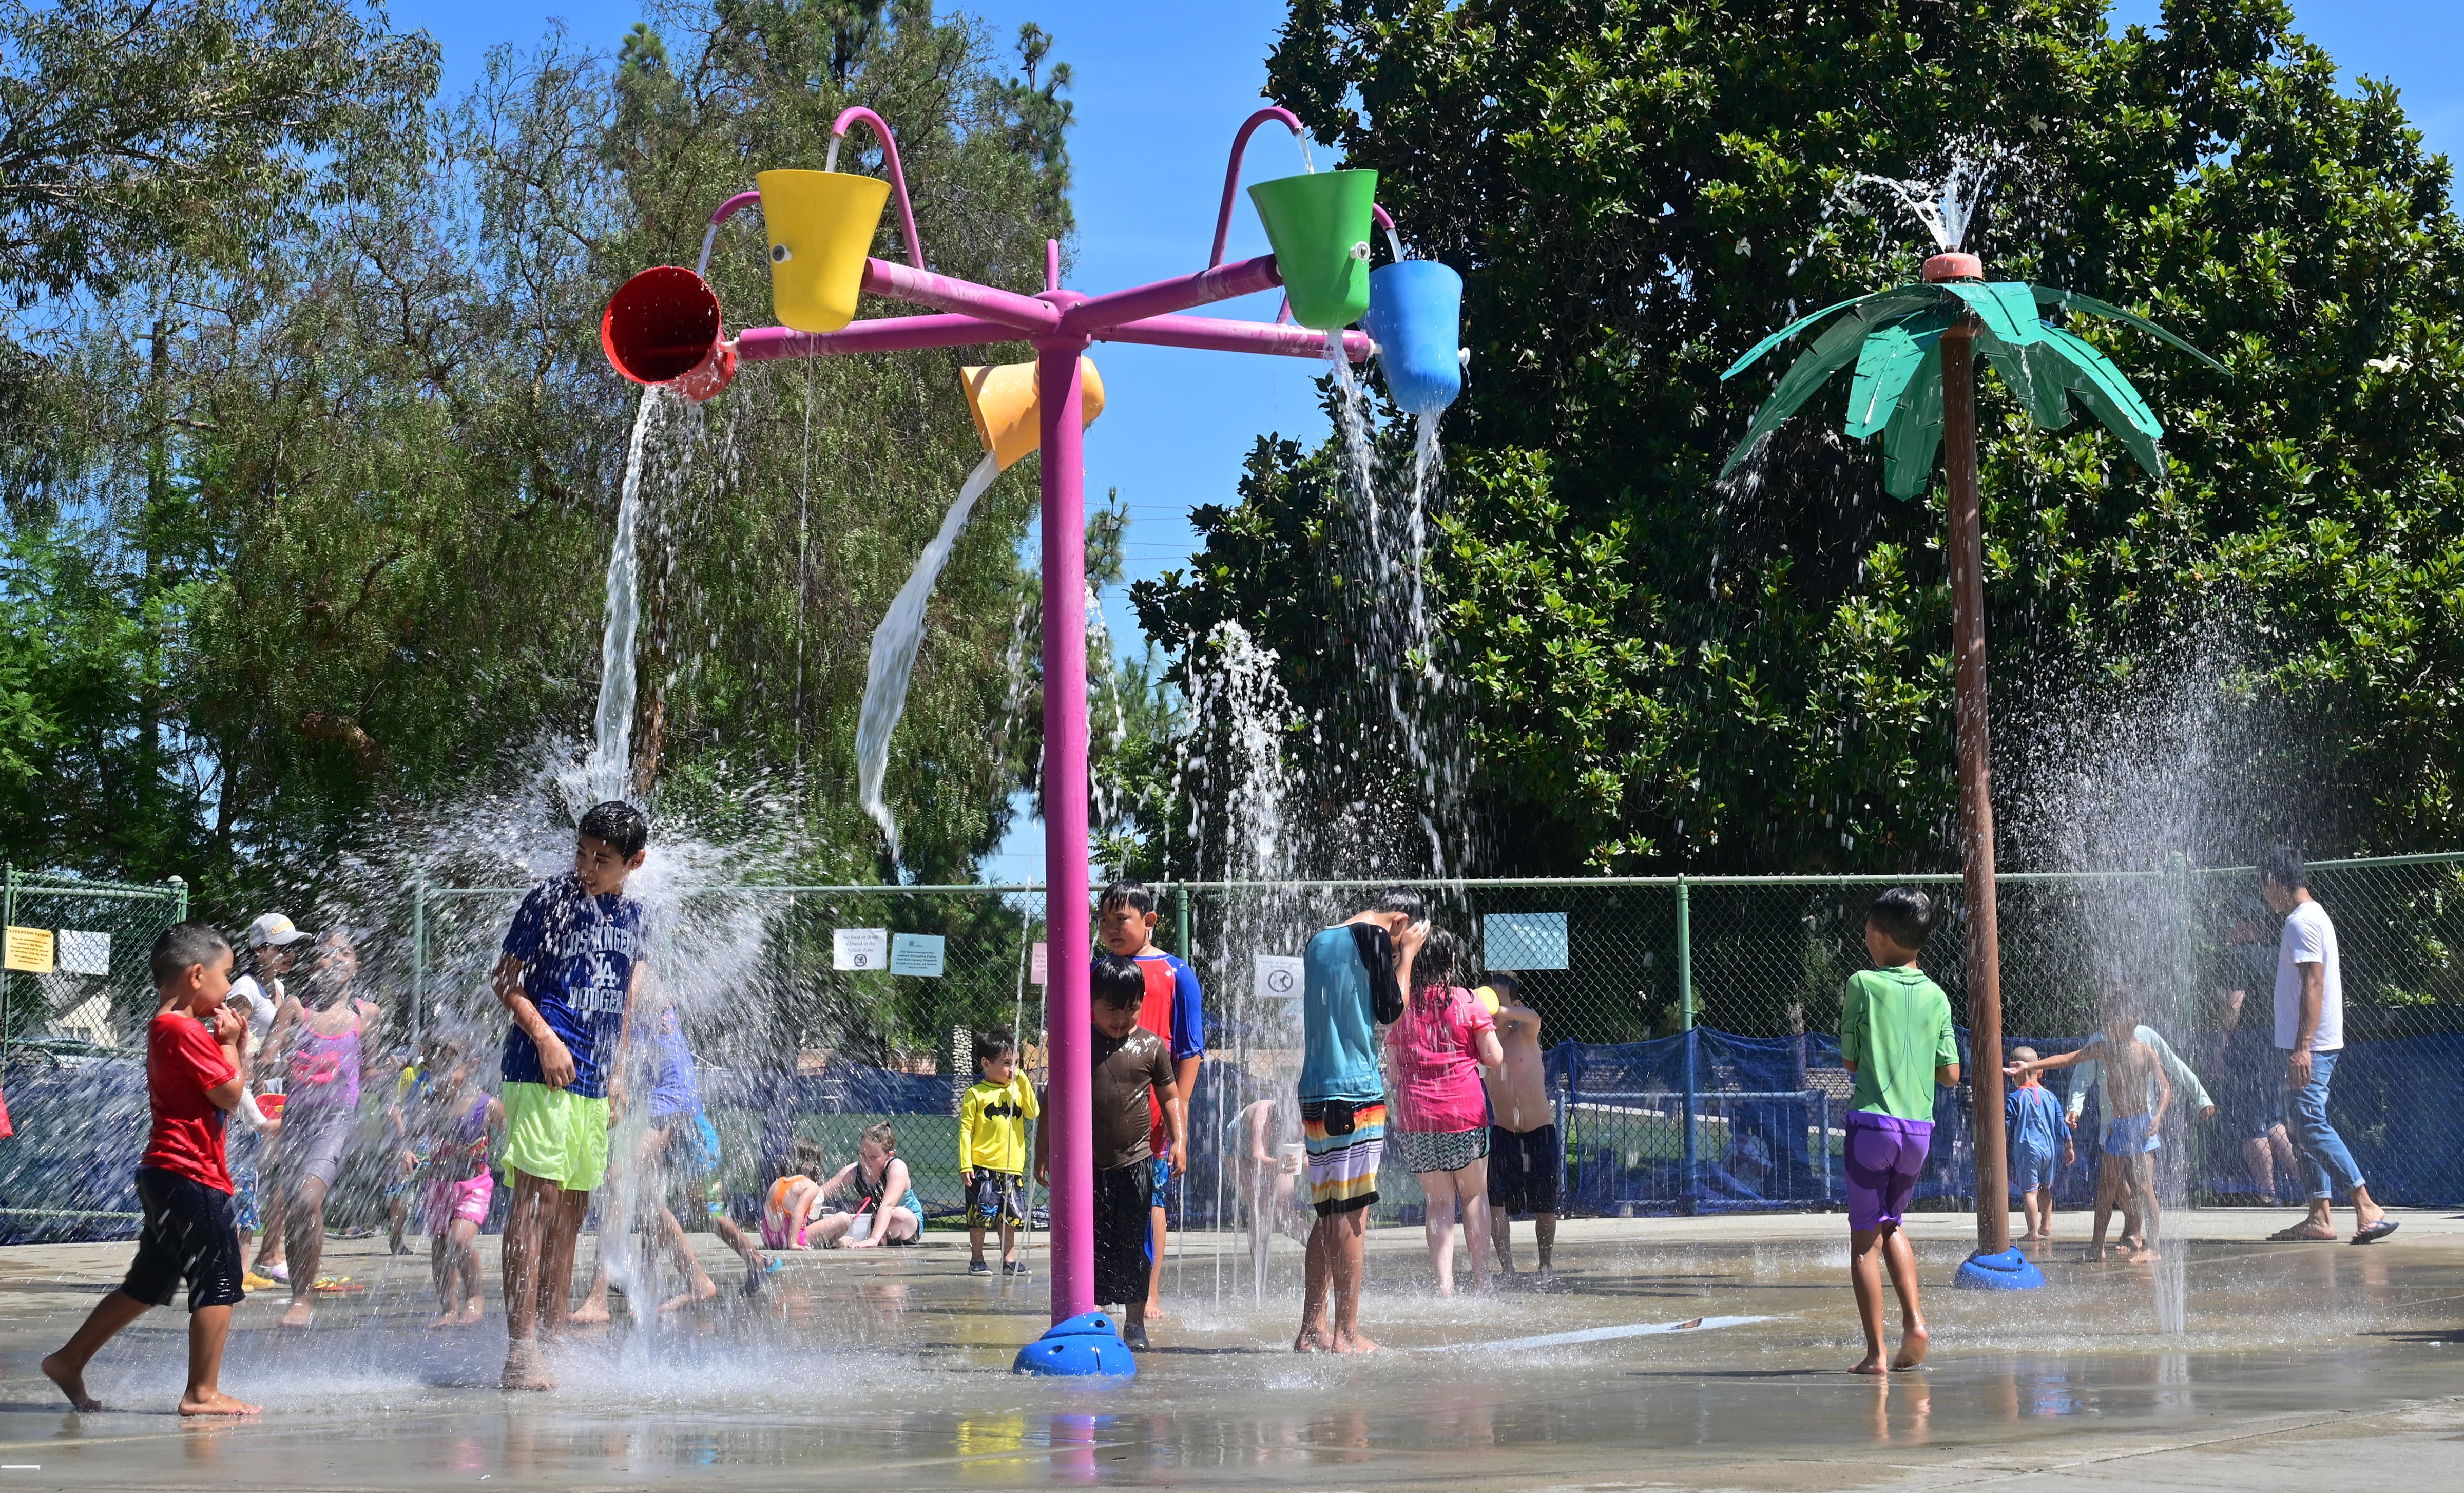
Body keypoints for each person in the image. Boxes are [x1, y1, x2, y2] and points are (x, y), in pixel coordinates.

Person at [41, 923, 258, 1417]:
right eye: (227, 977)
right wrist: (230, 1045)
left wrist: (231, 1049)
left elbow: (221, 1088)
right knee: (219, 1278)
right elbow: (228, 1093)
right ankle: (202, 1393)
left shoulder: (167, 1026)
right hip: (191, 1174)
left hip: (165, 1173)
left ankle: (69, 1360)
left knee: (147, 1285)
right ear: (198, 975)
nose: (230, 989)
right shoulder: (181, 1029)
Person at [493, 799, 651, 1390]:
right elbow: (505, 980)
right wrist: (545, 1037)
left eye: (602, 859)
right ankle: (521, 1349)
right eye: (581, 852)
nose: (586, 866)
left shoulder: (636, 917)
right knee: (536, 1203)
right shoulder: (549, 900)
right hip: (541, 1070)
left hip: (594, 1080)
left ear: (634, 862)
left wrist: (618, 1073)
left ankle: (554, 1343)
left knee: (571, 1212)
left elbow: (626, 999)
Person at [575, 1001, 768, 1317]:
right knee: (650, 1201)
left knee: (621, 1178)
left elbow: (628, 1014)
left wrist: (619, 1077)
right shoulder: (639, 986)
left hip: (671, 1103)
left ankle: (599, 1297)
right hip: (673, 1103)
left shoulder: (635, 972)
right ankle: (692, 1281)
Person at [1294, 887, 1422, 1355]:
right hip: (1354, 1091)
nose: (1393, 954)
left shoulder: (1319, 939)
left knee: (1328, 1211)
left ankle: (1312, 1329)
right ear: (1400, 922)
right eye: (1400, 941)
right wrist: (1405, 957)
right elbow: (1392, 1012)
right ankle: (1346, 1333)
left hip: (1316, 1090)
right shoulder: (1373, 938)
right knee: (1352, 1215)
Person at [1836, 887, 1957, 1375]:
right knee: (1893, 1225)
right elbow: (1951, 1074)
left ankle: (1876, 1354)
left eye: (1868, 929)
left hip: (1872, 1127)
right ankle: (1916, 1322)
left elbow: (1848, 1060)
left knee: (1864, 1239)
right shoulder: (1938, 996)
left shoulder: (1862, 983)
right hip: (1918, 1134)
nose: (1865, 937)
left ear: (1882, 937)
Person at [1036, 954, 1179, 1351]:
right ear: (1090, 1003)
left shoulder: (1150, 1046)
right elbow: (1051, 1101)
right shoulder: (1077, 1044)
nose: (1121, 1018)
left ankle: (1135, 1323)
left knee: (1134, 1244)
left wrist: (1179, 1140)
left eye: (1131, 1008)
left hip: (1136, 1162)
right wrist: (1042, 1150)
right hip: (1086, 1167)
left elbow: (1170, 1097)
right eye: (1111, 1009)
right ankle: (1092, 1315)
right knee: (1090, 1243)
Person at [2258, 846, 2395, 1243]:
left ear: (2275, 883)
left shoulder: (2301, 923)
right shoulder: (2312, 916)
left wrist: (2303, 1046)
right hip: (2307, 1044)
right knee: (2301, 1125)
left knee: (2309, 1122)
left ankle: (2365, 1203)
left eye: (2264, 887)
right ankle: (2319, 1215)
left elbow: (2313, 985)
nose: (2265, 897)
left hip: (2310, 1046)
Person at [1095, 881, 1204, 1321]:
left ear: (1150, 921)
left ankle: (1150, 1294)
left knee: (1151, 1202)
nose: (1111, 929)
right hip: (1103, 1114)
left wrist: (1180, 1115)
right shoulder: (1097, 973)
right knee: (1102, 1206)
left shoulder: (1177, 973)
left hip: (1155, 1114)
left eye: (1121, 919)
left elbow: (1190, 1050)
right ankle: (1099, 1291)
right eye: (1103, 921)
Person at [267, 926, 380, 1328]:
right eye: (325, 954)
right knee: (298, 1208)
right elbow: (268, 1058)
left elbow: (367, 1068)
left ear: (356, 966)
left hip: (338, 1120)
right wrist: (291, 1064)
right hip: (298, 1119)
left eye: (343, 954)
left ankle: (302, 1299)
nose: (333, 960)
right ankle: (299, 1291)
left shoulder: (366, 1015)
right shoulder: (297, 1009)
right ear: (314, 966)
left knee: (307, 1198)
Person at [2009, 988, 2172, 1262]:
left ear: (2130, 1019)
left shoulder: (2146, 1052)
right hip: (2118, 1128)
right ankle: (2097, 1247)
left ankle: (2154, 1247)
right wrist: (2029, 1068)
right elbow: (2069, 1059)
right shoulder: (2105, 1049)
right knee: (2106, 1188)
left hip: (2142, 1128)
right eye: (2106, 1017)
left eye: (2112, 1018)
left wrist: (2158, 1115)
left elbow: (2166, 1089)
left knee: (2145, 1187)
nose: (2107, 1024)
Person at [2054, 979, 2216, 1246]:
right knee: (2114, 1185)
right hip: (2111, 1123)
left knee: (2143, 1184)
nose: (2110, 1018)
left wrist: (2201, 1097)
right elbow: (2081, 1077)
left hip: (2143, 1122)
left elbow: (2173, 1066)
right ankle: (2133, 1221)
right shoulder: (2100, 1041)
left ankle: (2139, 1234)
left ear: (2129, 1015)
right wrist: (2075, 1107)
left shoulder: (2147, 1037)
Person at [1387, 928, 1504, 1296]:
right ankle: (1482, 1281)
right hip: (1464, 1114)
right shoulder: (1469, 1002)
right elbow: (1495, 1058)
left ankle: (1445, 1284)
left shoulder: (1401, 1009)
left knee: (1438, 1202)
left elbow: (1392, 1072)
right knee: (1473, 1196)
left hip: (1417, 1115)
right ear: (1452, 962)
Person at [232, 912, 306, 1288]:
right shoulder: (245, 989)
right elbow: (232, 1049)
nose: (291, 954)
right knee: (245, 1176)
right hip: (246, 1098)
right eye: (282, 948)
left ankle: (263, 1257)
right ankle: (239, 1267)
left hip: (270, 1092)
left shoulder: (276, 987)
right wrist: (246, 1102)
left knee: (265, 1175)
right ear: (260, 950)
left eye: (294, 948)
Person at [409, 1038, 501, 1327]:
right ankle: (448, 1308)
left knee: (459, 1240)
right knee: (439, 1247)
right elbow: (410, 1134)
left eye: (451, 1068)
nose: (444, 1077)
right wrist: (406, 1149)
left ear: (472, 1067)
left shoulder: (487, 1105)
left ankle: (475, 1296)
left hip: (474, 1184)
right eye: (437, 1070)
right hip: (438, 1185)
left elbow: (514, 1133)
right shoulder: (431, 1104)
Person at [2213, 899, 2299, 1200]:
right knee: (2272, 1116)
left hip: (2246, 1043)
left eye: (2233, 922)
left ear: (2249, 926)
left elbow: (2234, 1004)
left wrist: (2222, 1046)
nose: (2227, 929)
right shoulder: (2274, 956)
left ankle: (2268, 1194)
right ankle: (2307, 1185)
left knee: (2251, 1120)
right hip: (2273, 1041)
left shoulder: (2237, 957)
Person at [1478, 970, 1560, 1285]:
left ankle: (1545, 1264)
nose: (1491, 1006)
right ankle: (1507, 1267)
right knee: (1496, 1203)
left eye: (1498, 1001)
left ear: (1514, 1005)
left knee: (1545, 1205)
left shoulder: (1524, 1033)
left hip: (1540, 1132)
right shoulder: (1483, 1042)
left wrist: (1501, 1010)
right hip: (1503, 1133)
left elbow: (1534, 1016)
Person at [958, 1027, 1039, 1278]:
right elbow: (965, 1131)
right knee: (981, 1215)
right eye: (1006, 1063)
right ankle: (978, 1259)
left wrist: (1023, 1079)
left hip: (1012, 1167)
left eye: (1016, 1063)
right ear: (986, 1063)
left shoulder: (1017, 1090)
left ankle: (1009, 1260)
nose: (1012, 1069)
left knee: (1011, 1216)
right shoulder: (976, 1094)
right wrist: (966, 1164)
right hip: (983, 1166)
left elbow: (1033, 1112)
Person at [810, 1122, 925, 1248]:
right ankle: (834, 1240)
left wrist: (874, 1239)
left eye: (873, 1157)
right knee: (827, 1212)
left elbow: (888, 1206)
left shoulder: (897, 1168)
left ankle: (877, 1238)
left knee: (898, 1214)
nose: (866, 1161)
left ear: (889, 1155)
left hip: (905, 1227)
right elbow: (821, 1193)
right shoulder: (855, 1171)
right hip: (875, 1223)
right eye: (863, 1155)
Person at [1230, 1095, 1311, 1262]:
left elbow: (1305, 1161)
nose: (1300, 1130)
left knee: (1286, 1219)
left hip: (1275, 1157)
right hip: (1240, 1153)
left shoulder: (1303, 1119)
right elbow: (1257, 1157)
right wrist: (1280, 1164)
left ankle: (1323, 1251)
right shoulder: (1263, 1115)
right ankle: (1259, 1270)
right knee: (1260, 1205)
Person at [2004, 1047, 2069, 1243]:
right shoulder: (2051, 1096)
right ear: (2040, 1071)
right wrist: (2069, 1144)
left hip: (2028, 1150)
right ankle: (2046, 1226)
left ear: (2015, 1073)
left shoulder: (2016, 1098)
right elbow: (2060, 1122)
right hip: (2050, 1150)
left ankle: (2033, 1232)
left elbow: (2006, 1125)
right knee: (2046, 1189)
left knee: (2030, 1192)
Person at [761, 1139, 832, 1251]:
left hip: (770, 1239)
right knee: (843, 1220)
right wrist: (793, 1243)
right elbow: (798, 1212)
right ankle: (833, 1241)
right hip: (791, 1239)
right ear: (813, 1167)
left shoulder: (777, 1183)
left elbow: (766, 1214)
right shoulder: (810, 1186)